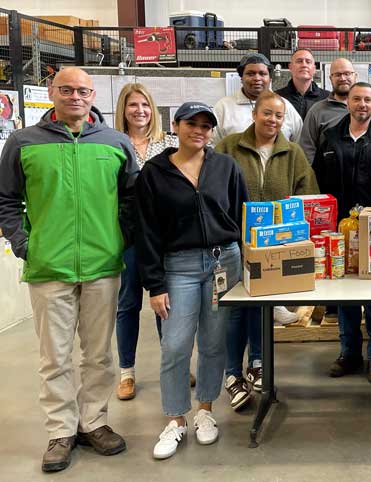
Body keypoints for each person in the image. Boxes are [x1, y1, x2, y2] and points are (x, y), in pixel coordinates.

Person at [0, 67, 136, 472]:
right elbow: (6, 199)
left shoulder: (115, 142)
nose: (75, 96)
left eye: (82, 90)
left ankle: (94, 422)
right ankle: (60, 431)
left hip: (102, 265)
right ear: (51, 92)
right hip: (49, 267)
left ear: (93, 95)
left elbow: (132, 199)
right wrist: (25, 245)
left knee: (99, 354)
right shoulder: (24, 142)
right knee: (54, 357)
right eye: (66, 89)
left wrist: (119, 238)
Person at [136, 102, 247, 460]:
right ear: (176, 126)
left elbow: (241, 215)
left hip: (223, 262)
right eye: (191, 124)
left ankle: (205, 411)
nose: (198, 131)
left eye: (205, 126)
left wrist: (250, 265)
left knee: (214, 342)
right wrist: (155, 285)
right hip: (178, 267)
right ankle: (175, 419)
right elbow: (146, 230)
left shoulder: (226, 166)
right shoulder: (154, 173)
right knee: (175, 345)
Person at [216, 90, 319, 411]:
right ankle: (232, 374)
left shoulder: (292, 153)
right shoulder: (229, 147)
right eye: (267, 113)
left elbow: (307, 196)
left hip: (275, 248)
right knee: (235, 309)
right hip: (234, 243)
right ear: (254, 114)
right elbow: (212, 190)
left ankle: (258, 364)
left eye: (278, 115)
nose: (272, 120)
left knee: (262, 305)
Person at [314, 82, 371, 384]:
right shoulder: (330, 137)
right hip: (340, 228)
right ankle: (349, 352)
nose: (362, 104)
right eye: (357, 99)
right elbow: (319, 180)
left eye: (368, 99)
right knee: (345, 292)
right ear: (348, 103)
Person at [113, 83, 179, 401]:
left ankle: (173, 365)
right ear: (123, 110)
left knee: (164, 304)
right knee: (127, 304)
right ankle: (126, 372)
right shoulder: (113, 143)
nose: (139, 111)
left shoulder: (168, 144)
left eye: (145, 105)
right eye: (132, 105)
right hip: (127, 237)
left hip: (162, 237)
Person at [298, 57, 371, 162]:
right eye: (338, 74)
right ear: (331, 78)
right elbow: (307, 150)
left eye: (347, 73)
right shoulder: (317, 111)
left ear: (355, 76)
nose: (343, 78)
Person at [213, 53, 303, 145]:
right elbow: (212, 146)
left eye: (262, 74)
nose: (257, 78)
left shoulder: (285, 106)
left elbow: (299, 144)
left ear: (270, 79)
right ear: (241, 78)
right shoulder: (223, 108)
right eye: (250, 74)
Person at [275, 49, 331, 119]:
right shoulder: (277, 97)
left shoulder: (327, 98)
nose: (304, 65)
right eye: (299, 61)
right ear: (290, 67)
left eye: (308, 62)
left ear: (314, 69)